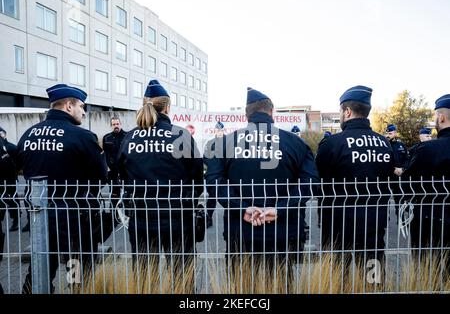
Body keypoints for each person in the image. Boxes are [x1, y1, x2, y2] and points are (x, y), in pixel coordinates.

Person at [205, 87, 319, 269]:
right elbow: (310, 183)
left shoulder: (224, 144)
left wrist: (242, 208)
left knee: (240, 287)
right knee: (281, 284)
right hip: (283, 230)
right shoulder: (296, 143)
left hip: (239, 231)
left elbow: (214, 182)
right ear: (271, 111)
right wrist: (279, 209)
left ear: (246, 115)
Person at [17, 84, 107, 293]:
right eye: (81, 107)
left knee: (39, 270)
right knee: (75, 270)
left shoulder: (28, 135)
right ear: (68, 106)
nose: (84, 112)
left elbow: (20, 166)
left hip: (40, 217)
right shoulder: (82, 136)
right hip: (74, 219)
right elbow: (101, 176)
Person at [117, 80, 203, 269]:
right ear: (167, 107)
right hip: (178, 217)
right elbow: (197, 177)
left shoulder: (130, 137)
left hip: (142, 217)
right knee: (183, 278)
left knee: (145, 278)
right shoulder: (181, 135)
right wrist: (190, 200)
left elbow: (121, 175)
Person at [315, 85, 395, 266]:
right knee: (372, 275)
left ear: (348, 112)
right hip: (374, 221)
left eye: (340, 112)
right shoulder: (384, 143)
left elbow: (320, 182)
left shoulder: (332, 144)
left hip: (338, 222)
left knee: (336, 276)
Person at [403, 95, 450, 251]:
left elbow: (407, 183)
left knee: (429, 271)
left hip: (432, 222)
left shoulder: (428, 149)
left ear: (441, 117)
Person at [0, 127, 20, 232]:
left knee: (12, 199)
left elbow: (19, 160)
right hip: (3, 178)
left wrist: (15, 171)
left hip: (10, 178)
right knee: (2, 200)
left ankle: (15, 220)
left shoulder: (11, 147)